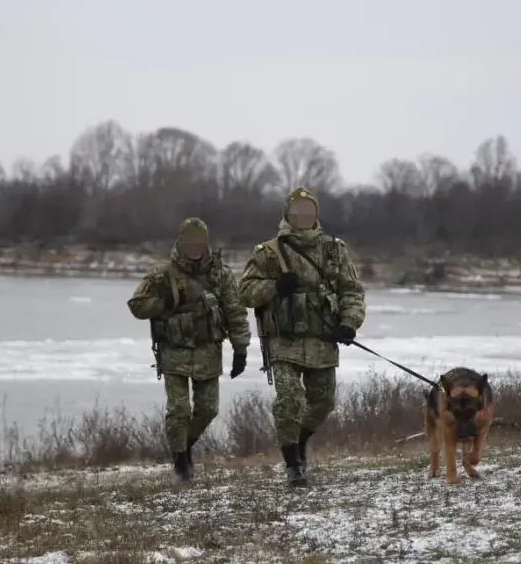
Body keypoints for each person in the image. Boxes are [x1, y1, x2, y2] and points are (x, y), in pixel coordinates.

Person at [238, 186, 367, 486]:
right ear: (287, 215)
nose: (303, 217)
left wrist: (349, 323)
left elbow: (352, 291)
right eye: (297, 212)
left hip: (323, 338)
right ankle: (293, 464)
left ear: (317, 215)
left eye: (309, 212)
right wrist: (274, 287)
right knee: (290, 400)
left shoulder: (335, 250)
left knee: (323, 403)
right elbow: (244, 292)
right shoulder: (268, 253)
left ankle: (298, 441)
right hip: (284, 340)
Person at [127, 217, 250, 481]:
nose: (195, 248)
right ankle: (181, 462)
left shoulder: (221, 274)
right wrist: (165, 302)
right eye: (190, 242)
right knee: (179, 410)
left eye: (200, 242)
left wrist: (241, 349)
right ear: (180, 242)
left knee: (208, 409)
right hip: (174, 353)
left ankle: (184, 447)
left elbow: (236, 311)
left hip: (208, 352)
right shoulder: (162, 274)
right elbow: (137, 306)